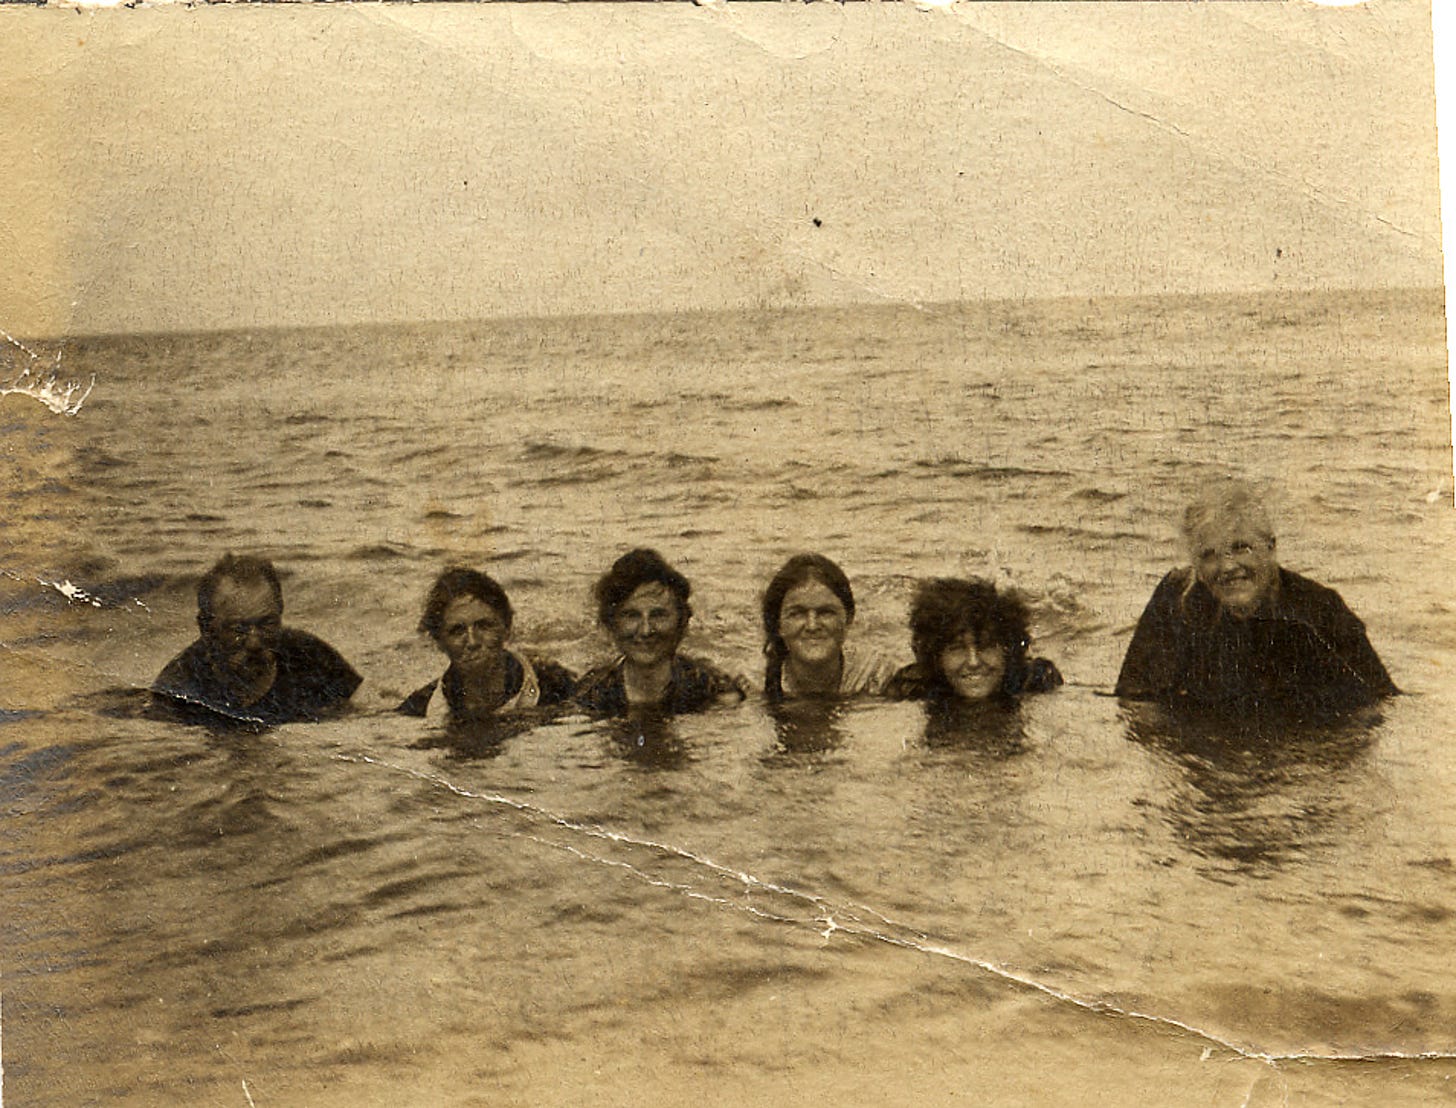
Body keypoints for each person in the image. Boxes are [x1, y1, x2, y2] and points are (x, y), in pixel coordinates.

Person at [1115, 480, 1398, 714]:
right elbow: (1136, 702)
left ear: (1271, 548)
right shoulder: (1175, 599)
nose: (1227, 567)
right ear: (1196, 565)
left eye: (1241, 548)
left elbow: (1377, 706)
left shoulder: (1320, 609)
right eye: (1209, 555)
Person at [150, 554, 361, 727]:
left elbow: (361, 710)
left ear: (281, 615)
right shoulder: (176, 690)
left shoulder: (312, 656)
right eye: (238, 629)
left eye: (266, 625)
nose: (254, 642)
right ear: (207, 629)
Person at [574, 548, 746, 716]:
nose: (646, 630)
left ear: (682, 622)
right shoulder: (590, 697)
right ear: (611, 625)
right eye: (631, 616)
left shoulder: (714, 691)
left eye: (659, 615)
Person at [397, 567, 576, 721]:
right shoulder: (420, 706)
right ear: (439, 642)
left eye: (484, 626)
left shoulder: (555, 685)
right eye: (457, 631)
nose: (473, 642)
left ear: (507, 627)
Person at [886, 577, 1062, 703]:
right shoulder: (912, 687)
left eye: (986, 647)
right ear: (936, 657)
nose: (973, 662)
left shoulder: (1035, 681)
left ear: (1008, 650)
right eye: (957, 649)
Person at [760, 553, 898, 701]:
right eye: (797, 614)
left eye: (826, 613)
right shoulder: (754, 685)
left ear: (848, 619)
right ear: (777, 623)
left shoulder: (879, 677)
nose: (812, 626)